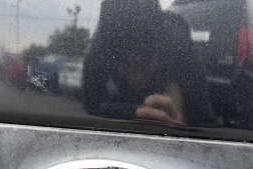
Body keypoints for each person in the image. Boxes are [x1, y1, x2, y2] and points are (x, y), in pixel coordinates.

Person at [82, 0, 213, 127]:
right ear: (112, 58)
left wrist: (181, 125)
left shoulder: (181, 51)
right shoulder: (98, 54)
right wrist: (131, 114)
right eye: (126, 62)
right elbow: (90, 108)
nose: (136, 75)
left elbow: (204, 120)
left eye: (144, 60)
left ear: (159, 49)